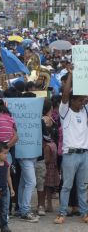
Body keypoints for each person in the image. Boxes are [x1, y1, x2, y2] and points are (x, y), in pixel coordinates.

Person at [54, 69, 88, 224]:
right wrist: (71, 75)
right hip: (70, 154)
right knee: (67, 186)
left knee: (82, 187)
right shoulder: (65, 112)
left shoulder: (85, 111)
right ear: (72, 101)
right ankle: (62, 213)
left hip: (84, 154)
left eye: (84, 100)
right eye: (80, 100)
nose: (83, 102)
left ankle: (84, 213)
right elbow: (65, 94)